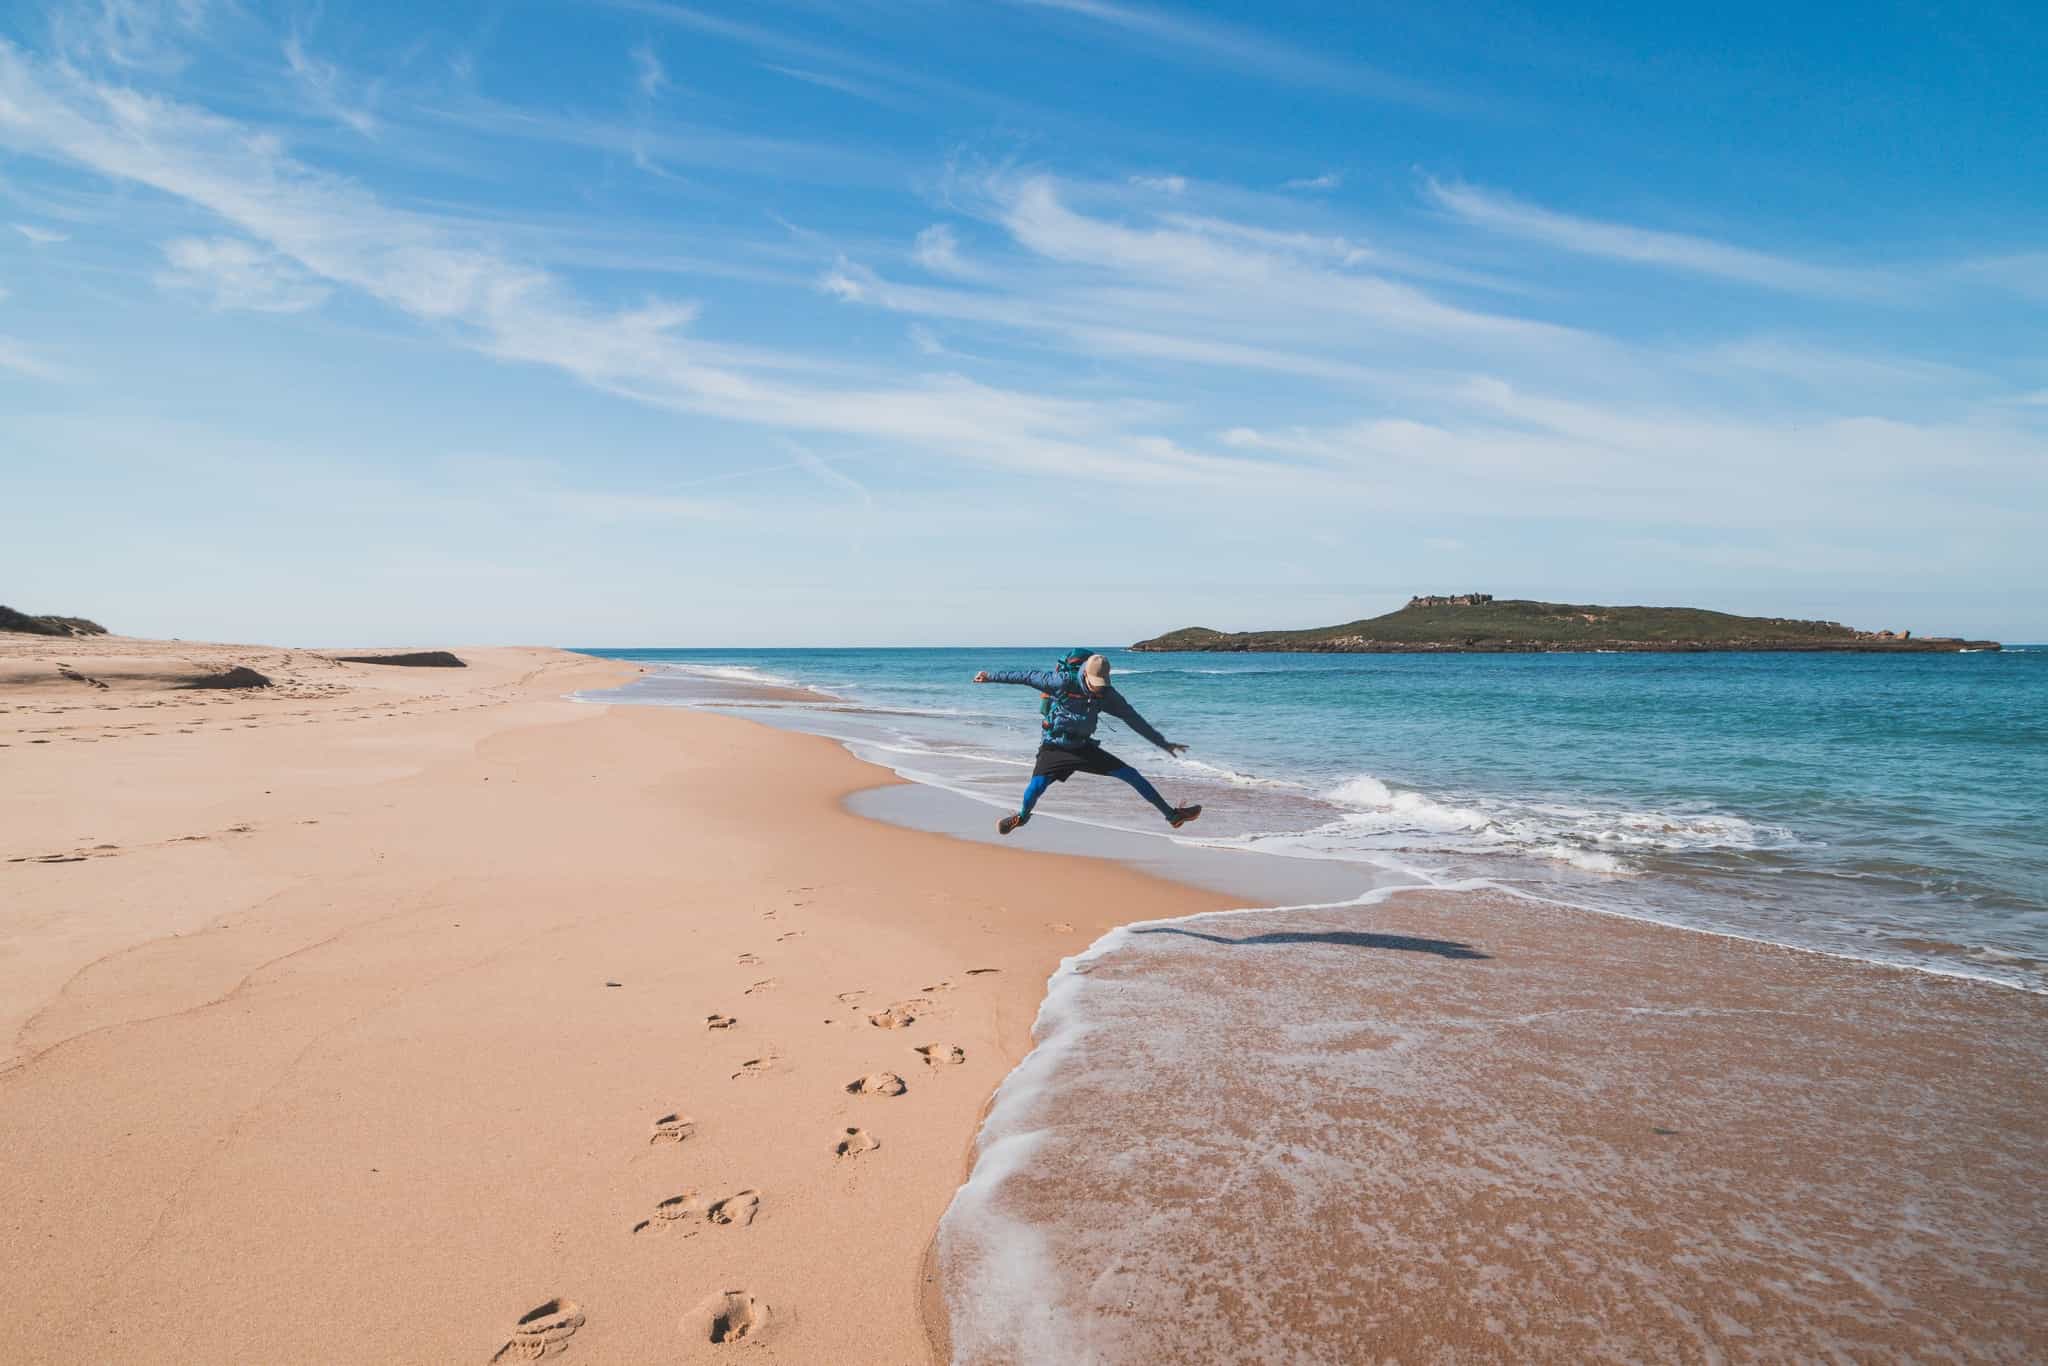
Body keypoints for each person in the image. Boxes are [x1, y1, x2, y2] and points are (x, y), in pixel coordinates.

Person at [972, 652, 1201, 836]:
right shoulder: (1062, 681)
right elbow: (1025, 676)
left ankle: (1173, 816)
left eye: (1102, 684)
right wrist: (990, 676)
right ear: (1085, 676)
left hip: (1084, 747)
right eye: (1094, 683)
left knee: (1132, 775)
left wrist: (1163, 743)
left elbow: (1133, 718)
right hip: (1056, 745)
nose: (1098, 688)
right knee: (1036, 788)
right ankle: (1021, 817)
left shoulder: (1107, 694)